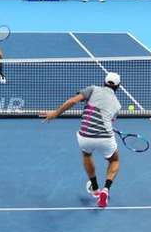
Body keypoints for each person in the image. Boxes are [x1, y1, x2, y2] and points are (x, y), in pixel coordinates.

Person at [40, 72, 123, 208]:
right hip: (105, 137)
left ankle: (95, 189)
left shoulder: (92, 89)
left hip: (85, 136)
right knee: (114, 160)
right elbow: (108, 120)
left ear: (104, 82)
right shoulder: (118, 105)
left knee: (87, 154)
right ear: (118, 87)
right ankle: (106, 189)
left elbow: (72, 101)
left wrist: (55, 114)